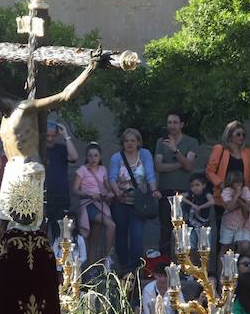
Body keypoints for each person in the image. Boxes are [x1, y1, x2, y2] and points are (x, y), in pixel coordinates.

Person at [109, 129, 159, 272]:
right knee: (121, 236)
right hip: (121, 202)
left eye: (133, 140)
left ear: (138, 142)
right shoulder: (116, 157)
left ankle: (135, 271)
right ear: (122, 143)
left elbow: (150, 174)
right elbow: (112, 177)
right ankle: (125, 269)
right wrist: (117, 192)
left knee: (137, 237)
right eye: (126, 141)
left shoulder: (145, 154)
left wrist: (154, 190)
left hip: (138, 203)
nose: (129, 143)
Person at [155, 113, 201, 253]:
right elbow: (158, 166)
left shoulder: (191, 142)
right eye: (169, 122)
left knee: (183, 231)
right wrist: (180, 163)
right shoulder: (160, 142)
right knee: (165, 231)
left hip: (185, 191)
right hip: (165, 191)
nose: (172, 126)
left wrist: (175, 151)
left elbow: (189, 167)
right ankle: (164, 268)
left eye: (175, 122)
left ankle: (185, 268)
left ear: (181, 124)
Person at [74, 142, 116, 266]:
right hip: (88, 205)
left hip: (100, 204)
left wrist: (109, 193)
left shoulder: (103, 169)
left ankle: (91, 268)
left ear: (100, 157)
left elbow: (107, 186)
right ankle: (107, 257)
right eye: (90, 156)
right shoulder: (81, 170)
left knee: (94, 239)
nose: (93, 159)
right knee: (111, 225)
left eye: (96, 156)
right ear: (87, 157)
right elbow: (75, 190)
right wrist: (88, 194)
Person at [45, 120, 79, 243]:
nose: (50, 139)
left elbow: (74, 157)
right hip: (44, 198)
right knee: (42, 234)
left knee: (61, 235)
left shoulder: (61, 149)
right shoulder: (39, 150)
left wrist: (66, 135)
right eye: (47, 136)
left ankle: (60, 261)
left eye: (53, 136)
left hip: (61, 198)